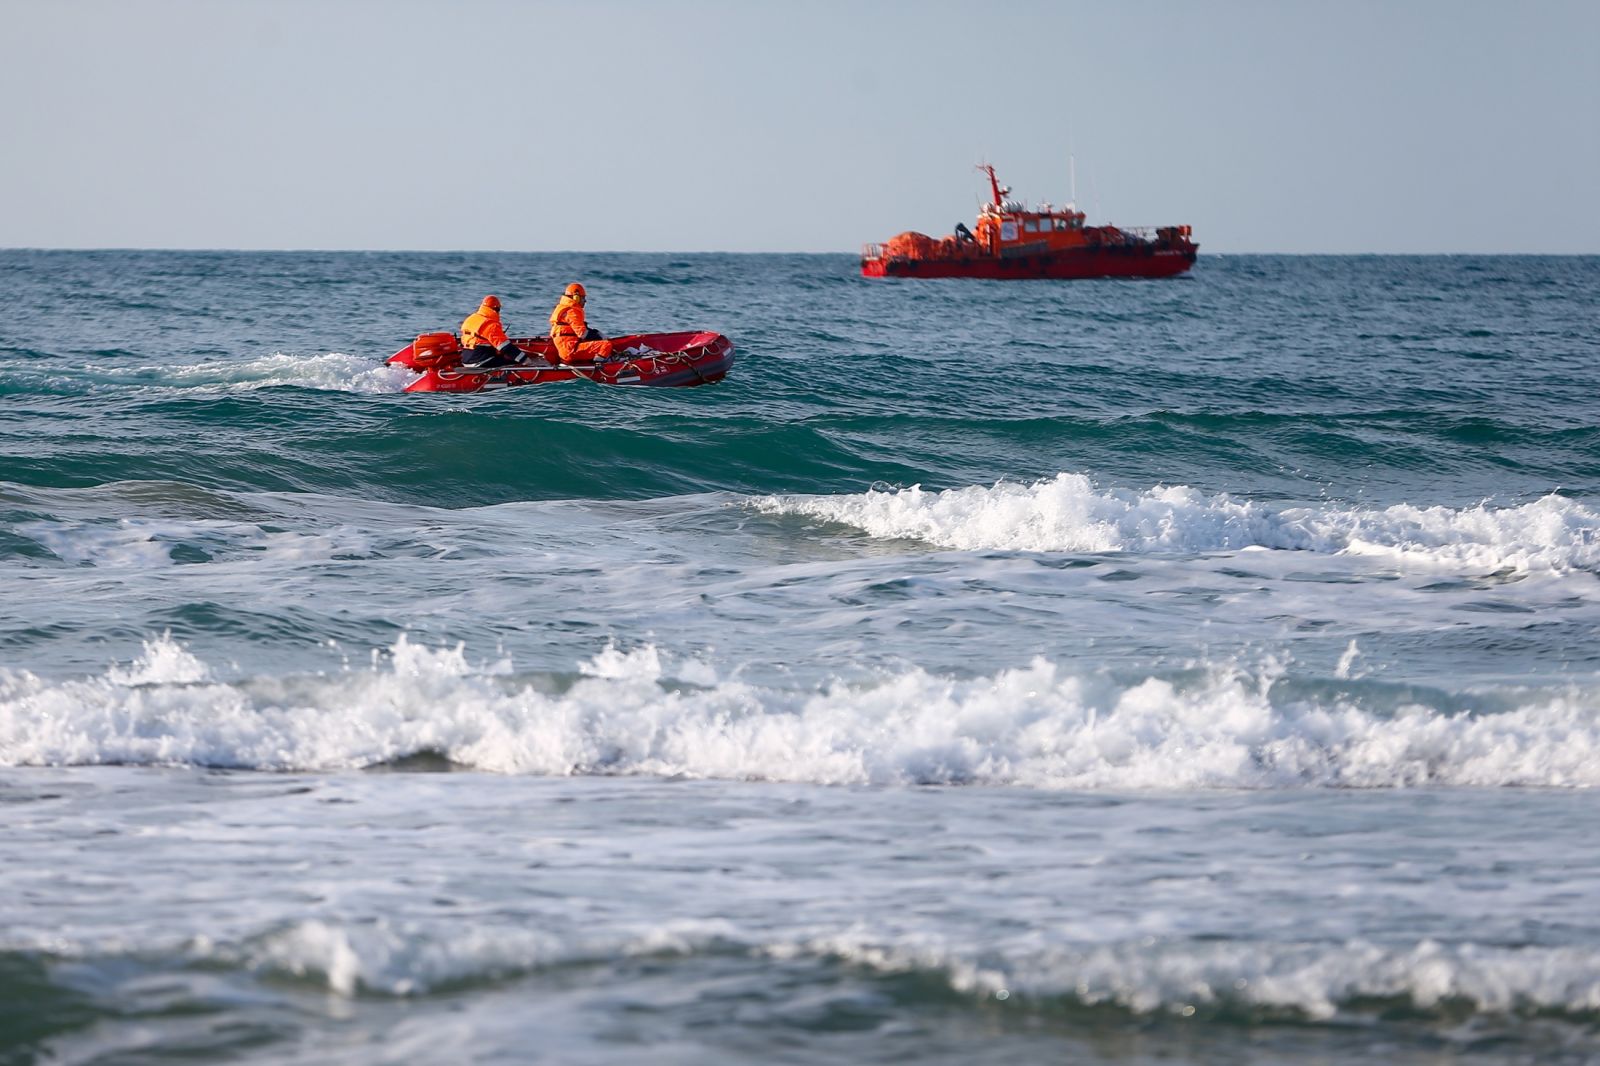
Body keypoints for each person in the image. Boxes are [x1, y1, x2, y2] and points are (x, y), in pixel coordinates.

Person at [547, 283, 615, 365]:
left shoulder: (564, 308)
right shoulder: (572, 311)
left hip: (567, 347)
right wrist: (600, 336)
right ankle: (598, 366)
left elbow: (578, 330)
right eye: (583, 298)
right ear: (576, 298)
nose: (585, 301)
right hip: (571, 350)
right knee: (606, 345)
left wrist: (595, 333)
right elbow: (583, 334)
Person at [459, 295, 524, 368]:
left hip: (466, 359)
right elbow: (506, 347)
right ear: (496, 309)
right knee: (514, 363)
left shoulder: (471, 319)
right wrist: (525, 360)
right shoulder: (490, 324)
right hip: (481, 361)